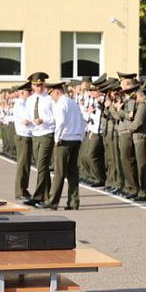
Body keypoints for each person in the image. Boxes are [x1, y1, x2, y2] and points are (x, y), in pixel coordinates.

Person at [46, 81, 84, 210]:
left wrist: (57, 138)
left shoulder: (60, 103)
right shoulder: (73, 103)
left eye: (52, 94)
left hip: (64, 140)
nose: (52, 97)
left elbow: (60, 122)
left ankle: (53, 201)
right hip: (75, 139)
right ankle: (73, 202)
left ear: (56, 92)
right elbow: (82, 120)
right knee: (73, 173)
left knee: (59, 172)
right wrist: (80, 136)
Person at [25, 72, 55, 206]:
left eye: (41, 85)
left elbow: (55, 117)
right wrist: (27, 121)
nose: (39, 88)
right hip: (35, 134)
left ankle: (37, 196)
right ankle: (47, 196)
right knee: (41, 167)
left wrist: (43, 120)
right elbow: (28, 115)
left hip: (47, 133)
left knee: (42, 165)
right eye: (36, 85)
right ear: (32, 86)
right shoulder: (30, 100)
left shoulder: (49, 99)